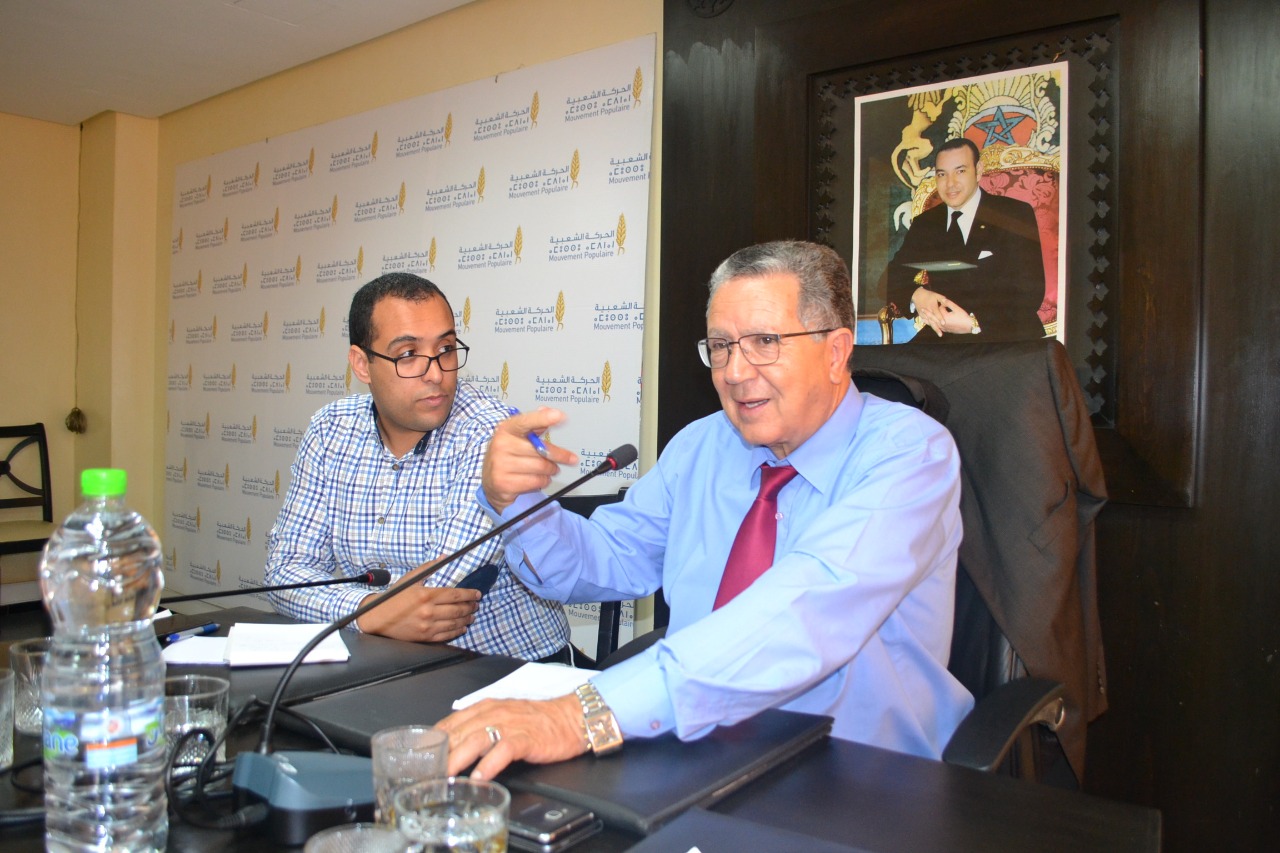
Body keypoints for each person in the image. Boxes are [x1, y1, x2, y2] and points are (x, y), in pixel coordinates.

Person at [437, 240, 974, 779]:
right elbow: (601, 561)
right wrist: (518, 500)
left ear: (835, 352)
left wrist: (585, 714)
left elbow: (804, 613)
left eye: (764, 342)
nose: (734, 371)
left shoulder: (910, 454)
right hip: (692, 752)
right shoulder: (702, 446)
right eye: (721, 346)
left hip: (856, 774)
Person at [264, 273, 570, 661]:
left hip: (504, 667)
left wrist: (364, 610)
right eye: (408, 354)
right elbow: (285, 572)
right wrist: (370, 611)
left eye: (446, 349)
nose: (437, 373)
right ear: (362, 364)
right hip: (376, 660)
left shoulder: (492, 433)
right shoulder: (330, 429)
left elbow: (439, 594)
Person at [886, 137, 1047, 342]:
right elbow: (891, 276)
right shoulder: (926, 223)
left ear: (978, 171)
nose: (950, 183)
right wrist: (916, 294)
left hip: (1004, 336)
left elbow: (1030, 292)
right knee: (894, 362)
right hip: (944, 336)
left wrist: (974, 323)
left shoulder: (1013, 214)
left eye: (960, 171)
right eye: (942, 174)